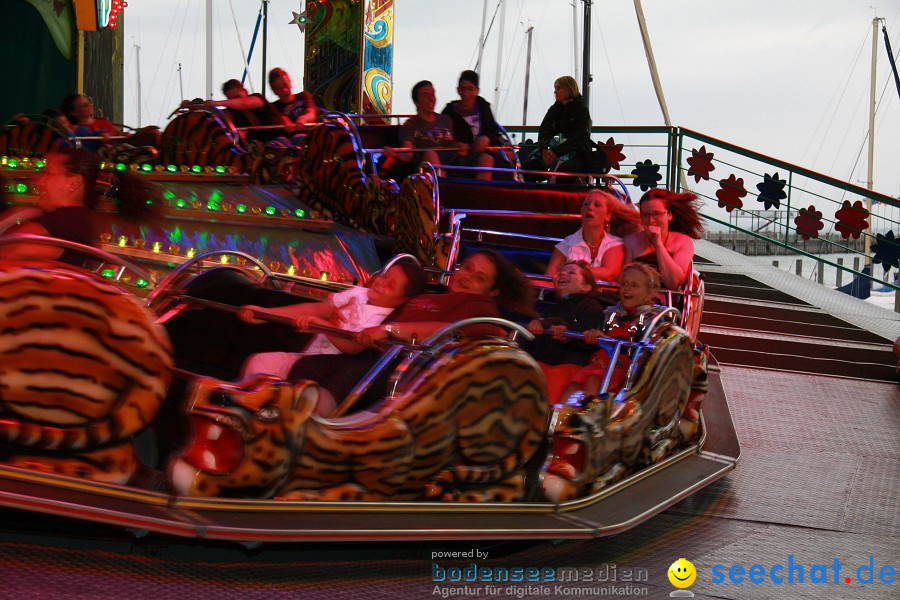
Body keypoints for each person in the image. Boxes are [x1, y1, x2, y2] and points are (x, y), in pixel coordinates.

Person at [288, 250, 536, 406]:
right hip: (373, 353)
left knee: (352, 377)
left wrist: (390, 330)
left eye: (479, 278)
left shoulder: (482, 307)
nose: (467, 276)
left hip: (411, 369)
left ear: (491, 292)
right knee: (307, 365)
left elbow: (451, 329)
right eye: (468, 267)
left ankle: (310, 435)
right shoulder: (431, 295)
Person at [238, 258, 427, 379]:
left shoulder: (384, 320)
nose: (380, 283)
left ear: (402, 300)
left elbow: (353, 346)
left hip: (329, 374)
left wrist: (321, 326)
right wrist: (264, 314)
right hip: (306, 359)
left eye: (390, 285)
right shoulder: (359, 293)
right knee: (258, 363)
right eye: (384, 276)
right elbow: (318, 309)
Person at [0, 147, 156, 265]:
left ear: (74, 183)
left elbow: (9, 249)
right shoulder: (77, 219)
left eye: (48, 172)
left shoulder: (67, 221)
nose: (37, 181)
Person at [561, 262, 663, 400]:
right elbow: (593, 334)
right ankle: (560, 417)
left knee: (593, 380)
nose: (627, 289)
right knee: (574, 384)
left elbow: (645, 352)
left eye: (634, 285)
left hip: (627, 371)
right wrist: (591, 335)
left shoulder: (653, 319)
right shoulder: (610, 312)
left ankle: (588, 418)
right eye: (624, 284)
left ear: (649, 292)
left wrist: (607, 341)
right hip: (599, 363)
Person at [525, 260, 608, 403]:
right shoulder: (548, 309)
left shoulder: (591, 307)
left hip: (570, 365)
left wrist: (568, 332)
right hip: (543, 363)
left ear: (586, 287)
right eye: (561, 272)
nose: (563, 273)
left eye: (571, 272)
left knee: (551, 383)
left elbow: (589, 331)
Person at [382, 80, 494, 181]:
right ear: (416, 102)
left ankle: (478, 196)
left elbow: (453, 144)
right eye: (426, 96)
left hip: (453, 160)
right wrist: (394, 153)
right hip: (428, 164)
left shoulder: (446, 119)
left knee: (486, 158)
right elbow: (408, 151)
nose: (431, 99)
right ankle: (443, 192)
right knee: (431, 154)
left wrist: (460, 146)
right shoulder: (411, 124)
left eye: (433, 94)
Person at [545, 188, 641, 282]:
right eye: (586, 204)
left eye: (597, 205)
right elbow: (547, 280)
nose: (590, 207)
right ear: (581, 212)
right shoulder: (565, 245)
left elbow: (609, 274)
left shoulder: (615, 244)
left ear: (607, 216)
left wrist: (570, 272)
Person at [623, 188, 704, 289]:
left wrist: (658, 244)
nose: (651, 220)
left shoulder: (684, 242)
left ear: (669, 215)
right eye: (645, 215)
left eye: (656, 214)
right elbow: (623, 280)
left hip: (669, 301)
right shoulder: (630, 241)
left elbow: (674, 283)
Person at [522, 76, 592, 180]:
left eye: (558, 88)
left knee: (563, 171)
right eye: (555, 88)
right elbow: (544, 131)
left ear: (569, 89)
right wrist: (544, 149)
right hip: (553, 152)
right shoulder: (554, 110)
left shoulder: (581, 111)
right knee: (525, 169)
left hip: (577, 154)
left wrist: (556, 152)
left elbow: (578, 138)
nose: (555, 91)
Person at [441, 70, 508, 174]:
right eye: (462, 89)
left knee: (494, 161)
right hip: (459, 156)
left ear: (477, 90)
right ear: (458, 90)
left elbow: (493, 131)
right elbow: (443, 137)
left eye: (470, 89)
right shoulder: (449, 112)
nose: (466, 93)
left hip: (484, 152)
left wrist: (487, 138)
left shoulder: (483, 107)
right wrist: (456, 145)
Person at [198, 79, 289, 130]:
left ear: (245, 91)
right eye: (231, 99)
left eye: (237, 96)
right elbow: (217, 115)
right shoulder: (233, 112)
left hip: (280, 140)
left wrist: (217, 103)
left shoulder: (257, 98)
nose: (235, 101)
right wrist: (194, 107)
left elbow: (243, 104)